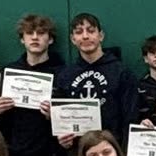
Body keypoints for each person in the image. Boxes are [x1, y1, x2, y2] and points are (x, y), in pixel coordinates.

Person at [0, 13, 65, 156]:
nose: (35, 37)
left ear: (50, 39)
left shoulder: (64, 73)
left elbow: (70, 121)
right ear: (22, 39)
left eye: (41, 33)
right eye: (29, 33)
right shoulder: (9, 71)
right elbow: (4, 124)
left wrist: (56, 116)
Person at [53, 12, 139, 145]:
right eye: (79, 32)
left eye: (91, 31)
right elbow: (61, 120)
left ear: (101, 35)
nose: (85, 36)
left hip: (112, 149)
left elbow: (130, 117)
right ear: (73, 39)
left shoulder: (122, 73)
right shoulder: (65, 75)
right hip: (78, 149)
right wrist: (63, 138)